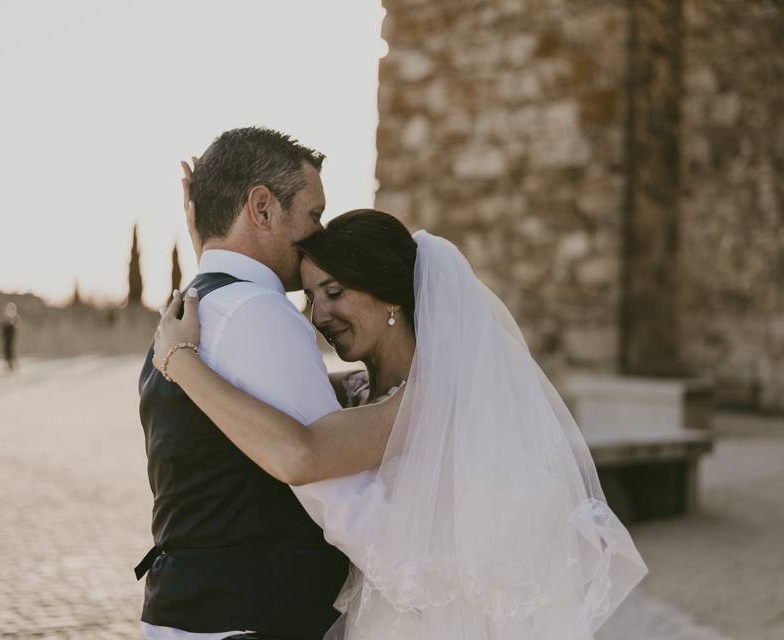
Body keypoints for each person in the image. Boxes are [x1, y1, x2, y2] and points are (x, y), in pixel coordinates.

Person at [153, 204, 648, 639]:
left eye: (335, 291)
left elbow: (303, 452)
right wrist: (214, 249)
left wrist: (180, 361)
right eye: (310, 297)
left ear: (390, 295)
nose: (318, 316)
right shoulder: (370, 393)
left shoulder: (432, 403)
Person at [136, 127, 366, 640]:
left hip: (188, 613)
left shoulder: (191, 305)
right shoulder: (259, 311)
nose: (320, 233)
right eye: (313, 214)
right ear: (262, 208)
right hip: (253, 619)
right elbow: (333, 488)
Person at [0, 302, 19, 372]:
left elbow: (15, 328)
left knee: (11, 351)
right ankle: (9, 366)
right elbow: (2, 328)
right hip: (6, 339)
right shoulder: (5, 319)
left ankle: (13, 366)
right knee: (7, 351)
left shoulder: (15, 318)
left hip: (11, 338)